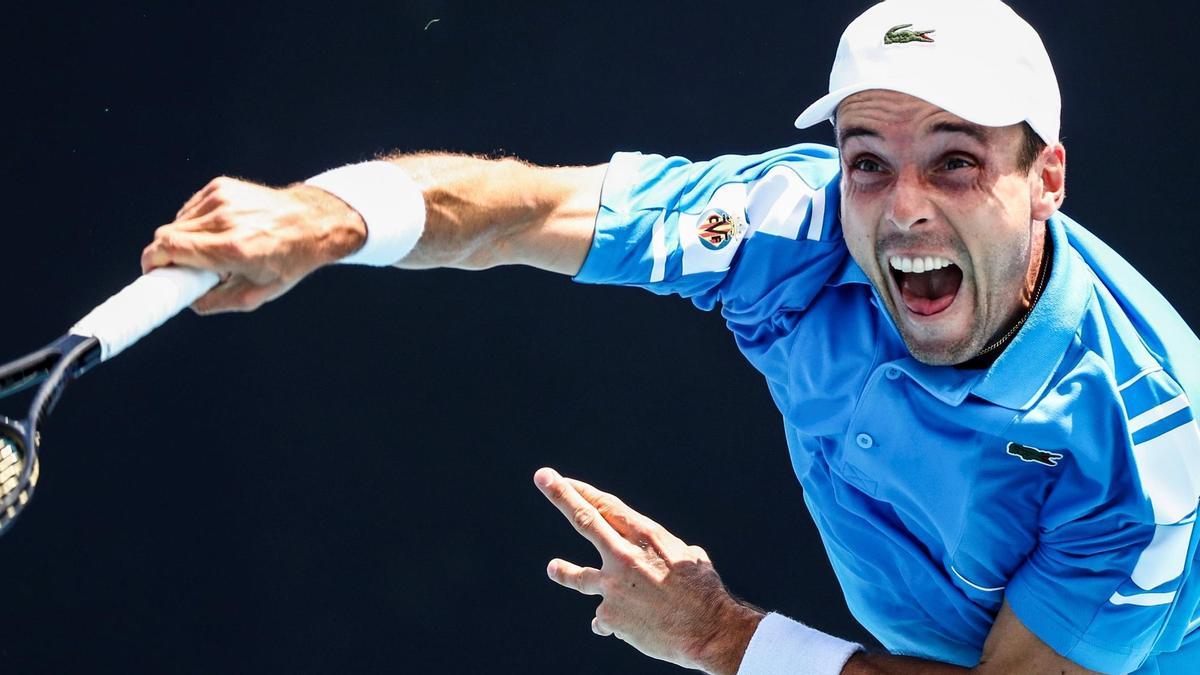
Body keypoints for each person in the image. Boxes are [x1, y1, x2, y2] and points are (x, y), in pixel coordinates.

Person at [140, 0, 1200, 672]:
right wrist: (329, 220)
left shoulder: (1143, 442)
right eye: (868, 158)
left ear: (1045, 179)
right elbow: (523, 210)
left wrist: (719, 637)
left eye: (956, 161)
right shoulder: (790, 226)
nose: (903, 207)